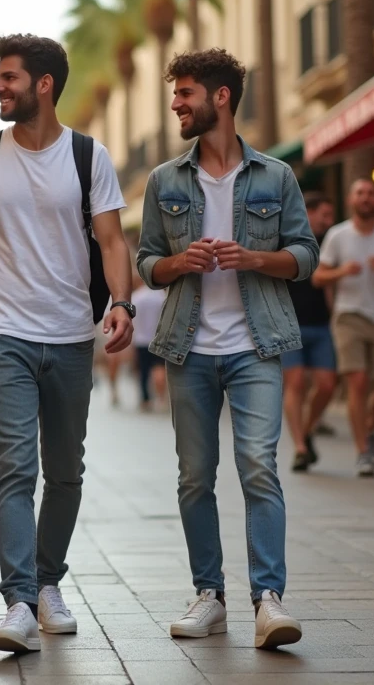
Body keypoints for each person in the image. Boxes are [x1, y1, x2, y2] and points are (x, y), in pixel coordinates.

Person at [0, 34, 134, 654]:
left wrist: (123, 304)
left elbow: (110, 241)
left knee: (67, 472)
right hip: (2, 334)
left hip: (73, 334)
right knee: (14, 468)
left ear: (44, 84)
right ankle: (20, 599)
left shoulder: (88, 155)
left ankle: (50, 579)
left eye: (10, 78)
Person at [136, 48, 315, 650]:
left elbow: (306, 256)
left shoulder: (275, 176)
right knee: (194, 477)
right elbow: (145, 263)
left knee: (259, 467)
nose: (176, 104)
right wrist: (176, 263)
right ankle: (209, 595)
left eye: (185, 92)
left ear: (220, 98)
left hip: (255, 344)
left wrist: (255, 257)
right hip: (189, 349)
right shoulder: (165, 180)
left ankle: (269, 600)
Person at [313, 179, 374, 477]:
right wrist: (343, 271)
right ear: (350, 199)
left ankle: (367, 426)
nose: (366, 198)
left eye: (371, 194)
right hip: (348, 315)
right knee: (357, 382)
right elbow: (318, 277)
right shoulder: (338, 235)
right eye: (360, 193)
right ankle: (363, 451)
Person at [280, 192, 337, 472]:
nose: (328, 221)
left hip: (322, 323)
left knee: (327, 384)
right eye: (324, 215)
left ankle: (308, 428)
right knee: (296, 383)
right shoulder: (288, 235)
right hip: (290, 322)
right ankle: (301, 448)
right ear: (309, 212)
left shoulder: (331, 241)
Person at [130, 274, 166, 411]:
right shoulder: (161, 297)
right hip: (158, 339)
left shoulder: (137, 297)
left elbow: (133, 320)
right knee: (159, 368)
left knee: (143, 370)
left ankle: (145, 399)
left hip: (141, 340)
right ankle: (161, 397)